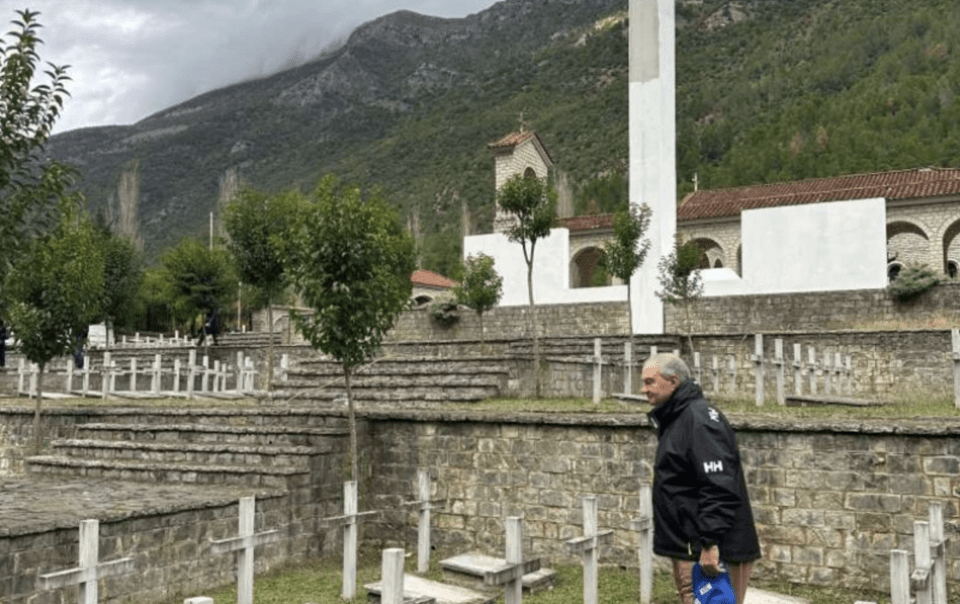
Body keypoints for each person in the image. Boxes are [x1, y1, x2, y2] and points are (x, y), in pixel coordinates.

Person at [641, 353, 761, 604]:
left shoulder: (699, 420)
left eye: (650, 381)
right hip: (690, 544)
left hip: (713, 549)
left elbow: (718, 484)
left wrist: (709, 543)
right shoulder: (678, 418)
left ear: (673, 380)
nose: (644, 390)